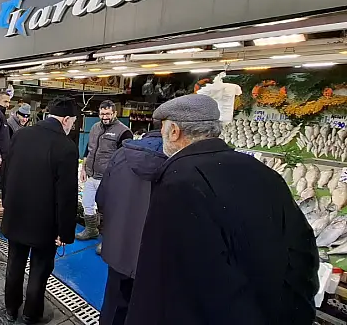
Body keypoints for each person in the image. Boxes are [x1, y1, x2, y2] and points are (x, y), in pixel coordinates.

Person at [125, 94, 319, 325]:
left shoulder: (178, 182)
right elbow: (303, 247)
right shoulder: (263, 172)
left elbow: (166, 274)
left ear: (174, 131)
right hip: (274, 310)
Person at [1, 97, 79, 324]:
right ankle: (31, 314)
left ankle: (11, 308)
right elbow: (67, 195)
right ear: (65, 120)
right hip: (44, 223)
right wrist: (65, 232)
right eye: (72, 122)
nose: (71, 127)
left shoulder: (21, 135)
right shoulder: (66, 147)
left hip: (16, 215)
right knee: (40, 268)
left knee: (14, 263)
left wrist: (7, 204)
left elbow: (6, 174)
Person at [95, 121, 166, 325]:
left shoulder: (121, 155)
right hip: (156, 258)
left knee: (114, 306)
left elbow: (102, 199)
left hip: (119, 248)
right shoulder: (177, 162)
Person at [77, 101, 132, 242]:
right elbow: (88, 148)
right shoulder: (95, 127)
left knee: (107, 210)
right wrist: (83, 168)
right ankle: (91, 230)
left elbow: (125, 158)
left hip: (108, 178)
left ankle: (107, 240)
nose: (104, 116)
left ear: (114, 113)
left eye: (107, 114)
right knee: (87, 203)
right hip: (91, 175)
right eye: (102, 114)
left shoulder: (124, 132)